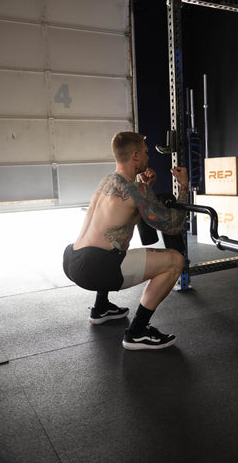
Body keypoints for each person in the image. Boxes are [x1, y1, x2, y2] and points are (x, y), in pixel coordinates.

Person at [63, 131, 188, 350]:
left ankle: (101, 308)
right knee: (175, 260)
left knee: (117, 239)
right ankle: (138, 332)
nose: (149, 157)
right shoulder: (135, 189)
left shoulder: (107, 181)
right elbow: (174, 225)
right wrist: (184, 186)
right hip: (95, 268)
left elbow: (127, 212)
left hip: (72, 259)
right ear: (135, 156)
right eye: (146, 153)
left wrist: (146, 188)